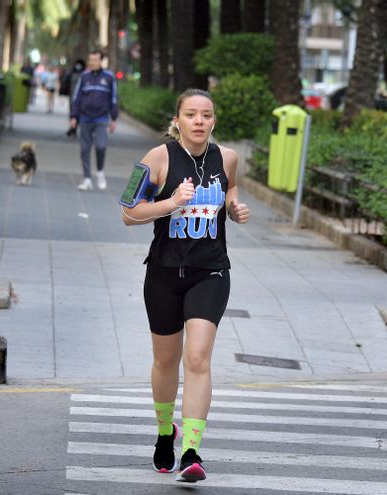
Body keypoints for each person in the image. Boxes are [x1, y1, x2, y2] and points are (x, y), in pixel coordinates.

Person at [120, 89, 250, 483]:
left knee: (197, 358)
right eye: (191, 114)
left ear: (213, 120)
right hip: (163, 272)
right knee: (165, 361)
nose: (199, 121)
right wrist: (171, 202)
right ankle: (165, 431)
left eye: (206, 115)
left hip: (209, 272)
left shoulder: (227, 158)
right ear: (177, 120)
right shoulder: (156, 158)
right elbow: (128, 213)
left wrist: (234, 207)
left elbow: (230, 189)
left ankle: (192, 450)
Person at [69, 50, 117, 191]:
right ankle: (87, 179)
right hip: (85, 118)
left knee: (101, 146)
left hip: (102, 118)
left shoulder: (109, 77)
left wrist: (113, 118)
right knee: (84, 149)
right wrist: (74, 116)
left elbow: (113, 98)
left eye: (95, 60)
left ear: (101, 61)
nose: (92, 63)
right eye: (90, 60)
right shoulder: (84, 77)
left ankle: (100, 172)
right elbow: (76, 98)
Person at [62, 59, 86, 137]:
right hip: (72, 97)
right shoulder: (71, 74)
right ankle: (72, 127)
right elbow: (65, 83)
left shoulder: (84, 75)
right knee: (72, 113)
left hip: (81, 99)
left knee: (78, 114)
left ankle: (74, 128)